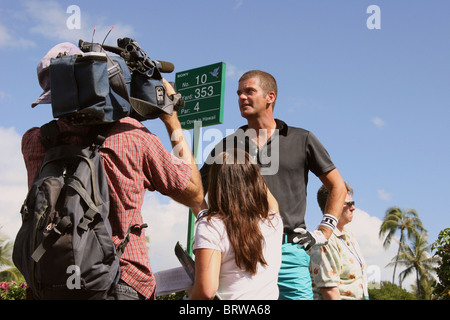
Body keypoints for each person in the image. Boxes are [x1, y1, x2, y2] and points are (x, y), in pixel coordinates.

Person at [22, 42, 206, 300]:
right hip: (122, 281)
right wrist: (170, 117)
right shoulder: (131, 135)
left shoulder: (34, 141)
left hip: (50, 286)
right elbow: (195, 193)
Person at [199, 70, 347, 300]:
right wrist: (204, 217)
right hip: (240, 252)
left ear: (271, 96)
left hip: (289, 251)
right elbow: (197, 189)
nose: (241, 97)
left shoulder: (302, 139)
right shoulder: (226, 144)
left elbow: (337, 186)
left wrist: (324, 232)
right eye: (239, 93)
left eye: (249, 91)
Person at [190, 149, 283, 300]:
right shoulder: (273, 222)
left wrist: (192, 293)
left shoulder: (211, 226)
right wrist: (250, 168)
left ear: (216, 185)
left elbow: (206, 292)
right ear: (256, 181)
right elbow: (273, 205)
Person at [309, 183, 369, 300]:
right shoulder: (324, 240)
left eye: (353, 203)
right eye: (349, 204)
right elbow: (329, 291)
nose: (353, 208)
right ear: (333, 206)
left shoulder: (349, 236)